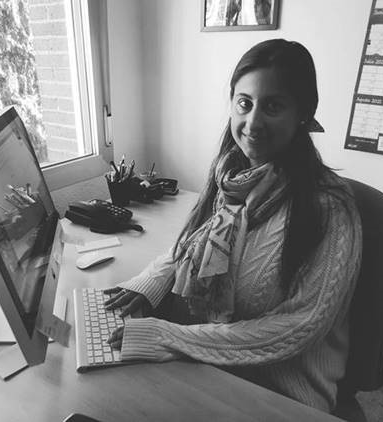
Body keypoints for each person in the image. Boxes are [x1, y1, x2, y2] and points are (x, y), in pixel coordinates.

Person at [104, 39, 362, 413]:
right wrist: (152, 283)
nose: (253, 123)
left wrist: (171, 337)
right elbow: (191, 246)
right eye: (245, 103)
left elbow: (299, 327)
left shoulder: (330, 208)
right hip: (212, 362)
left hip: (284, 392)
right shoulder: (231, 176)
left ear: (303, 113)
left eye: (272, 106)